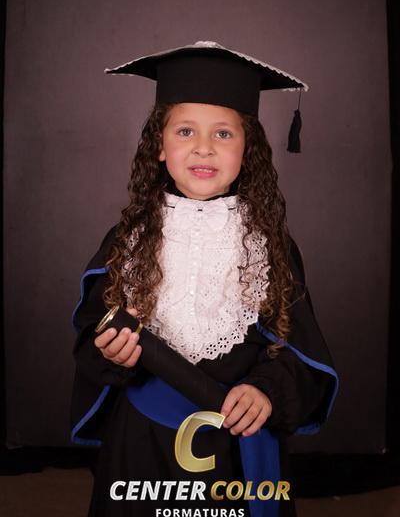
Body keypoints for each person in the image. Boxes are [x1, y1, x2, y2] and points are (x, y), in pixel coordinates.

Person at [70, 41, 339, 517]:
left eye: (223, 134)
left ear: (247, 149)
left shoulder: (268, 246)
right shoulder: (127, 241)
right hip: (142, 438)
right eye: (185, 130)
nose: (203, 147)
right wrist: (110, 352)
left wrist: (264, 391)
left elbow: (299, 350)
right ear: (159, 146)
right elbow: (94, 332)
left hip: (233, 441)